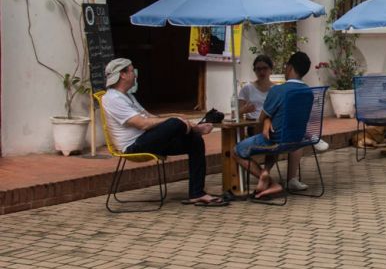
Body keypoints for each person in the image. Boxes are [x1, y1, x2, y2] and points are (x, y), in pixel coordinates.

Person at [100, 58, 224, 207]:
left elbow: (151, 117)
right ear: (123, 75)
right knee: (176, 123)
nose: (135, 75)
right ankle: (197, 128)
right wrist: (176, 120)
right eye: (132, 71)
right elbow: (143, 124)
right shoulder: (112, 98)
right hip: (134, 145)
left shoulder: (128, 96)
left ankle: (197, 193)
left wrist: (178, 116)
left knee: (195, 141)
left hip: (148, 140)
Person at [234, 52, 313, 199]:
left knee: (236, 151)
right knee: (273, 138)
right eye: (258, 69)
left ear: (289, 68)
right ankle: (274, 176)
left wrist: (266, 121)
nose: (262, 72)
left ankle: (267, 178)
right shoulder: (309, 91)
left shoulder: (277, 90)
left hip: (275, 138)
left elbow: (261, 118)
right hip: (296, 138)